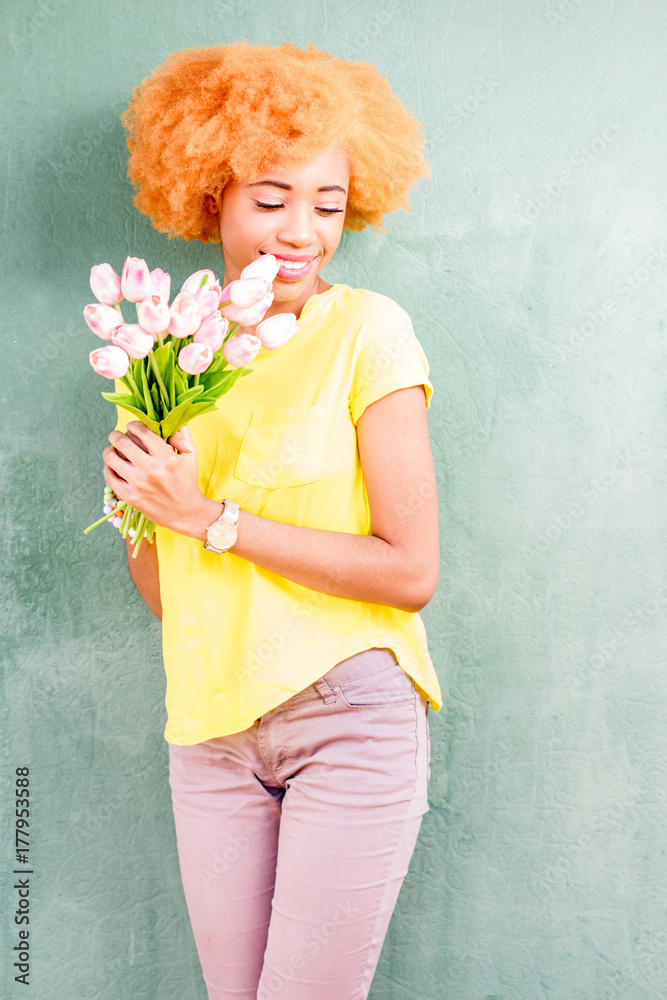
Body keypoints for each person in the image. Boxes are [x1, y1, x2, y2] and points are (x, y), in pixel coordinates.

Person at [103, 41, 443, 1000]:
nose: (301, 233)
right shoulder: (159, 353)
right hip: (209, 726)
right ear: (209, 195)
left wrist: (211, 517)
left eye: (326, 206)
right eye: (270, 199)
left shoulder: (368, 332)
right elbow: (171, 590)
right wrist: (139, 508)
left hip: (347, 718)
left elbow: (409, 571)